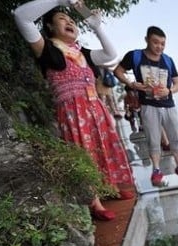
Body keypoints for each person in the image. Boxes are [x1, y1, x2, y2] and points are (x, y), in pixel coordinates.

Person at [14, 0, 134, 221]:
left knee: (103, 148)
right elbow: (21, 16)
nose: (69, 21)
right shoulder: (47, 49)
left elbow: (110, 55)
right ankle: (95, 202)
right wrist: (59, 1)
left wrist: (97, 26)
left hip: (95, 108)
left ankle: (110, 188)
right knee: (84, 153)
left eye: (71, 20)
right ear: (50, 27)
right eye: (62, 19)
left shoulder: (83, 53)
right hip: (72, 112)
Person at [114, 26, 178, 187]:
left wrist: (169, 90)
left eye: (163, 44)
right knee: (153, 139)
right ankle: (156, 169)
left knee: (174, 137)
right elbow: (118, 71)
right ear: (147, 40)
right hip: (148, 105)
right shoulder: (135, 56)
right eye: (156, 42)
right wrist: (131, 84)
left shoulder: (168, 60)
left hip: (169, 105)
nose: (159, 47)